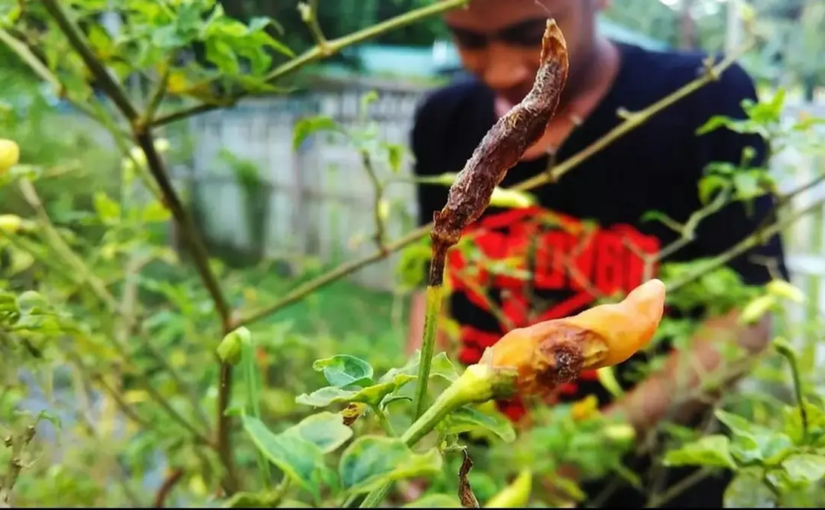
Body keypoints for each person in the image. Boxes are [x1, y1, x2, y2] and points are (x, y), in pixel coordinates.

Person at [406, 0, 788, 507]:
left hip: (644, 487)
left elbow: (745, 321)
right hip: (478, 477)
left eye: (529, 33)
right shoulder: (442, 120)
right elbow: (432, 289)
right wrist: (421, 424)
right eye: (469, 40)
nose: (501, 69)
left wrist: (579, 448)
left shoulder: (704, 99)